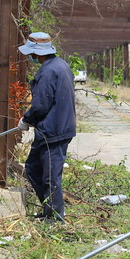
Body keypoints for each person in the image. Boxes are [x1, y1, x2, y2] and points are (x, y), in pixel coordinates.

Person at [17, 32, 76, 222]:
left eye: (31, 52)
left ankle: (55, 218)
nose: (30, 56)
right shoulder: (60, 65)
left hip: (54, 130)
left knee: (50, 176)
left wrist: (27, 119)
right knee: (33, 167)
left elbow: (41, 104)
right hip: (55, 128)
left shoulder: (48, 71)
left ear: (37, 52)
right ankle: (48, 210)